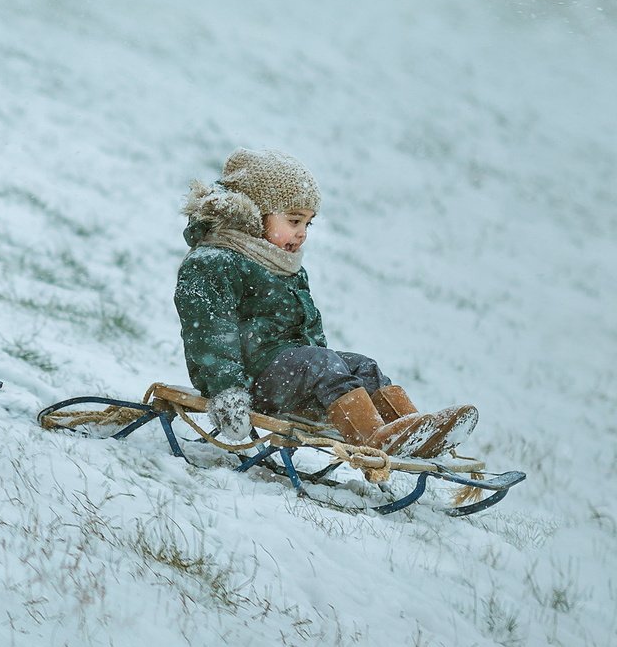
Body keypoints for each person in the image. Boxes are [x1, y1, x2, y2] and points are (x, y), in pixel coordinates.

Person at [173, 148, 477, 458]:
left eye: (308, 224)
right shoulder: (214, 261)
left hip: (289, 373)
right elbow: (210, 334)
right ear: (255, 213)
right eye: (294, 221)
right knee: (321, 364)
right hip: (249, 383)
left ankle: (413, 431)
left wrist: (329, 382)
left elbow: (308, 329)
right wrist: (228, 393)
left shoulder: (283, 264)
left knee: (363, 366)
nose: (302, 234)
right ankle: (374, 439)